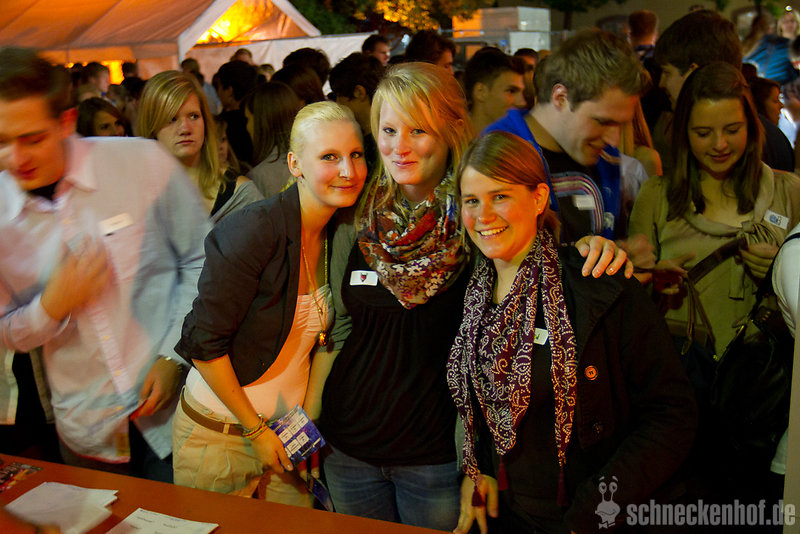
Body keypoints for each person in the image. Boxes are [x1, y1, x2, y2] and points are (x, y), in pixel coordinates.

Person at [309, 62, 630, 531]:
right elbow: (338, 331)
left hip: (436, 458)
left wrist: (592, 246)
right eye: (389, 130)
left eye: (418, 130)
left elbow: (536, 268)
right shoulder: (355, 218)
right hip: (348, 450)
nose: (399, 146)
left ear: (450, 131)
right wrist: (309, 428)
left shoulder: (478, 224)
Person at [449, 131, 696, 534]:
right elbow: (476, 404)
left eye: (500, 196)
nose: (483, 216)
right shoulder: (472, 292)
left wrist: (595, 508)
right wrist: (478, 468)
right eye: (471, 200)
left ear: (539, 198)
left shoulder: (598, 284)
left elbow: (672, 415)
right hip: (508, 516)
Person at [0, 46, 210, 482]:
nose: (16, 158)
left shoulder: (141, 162)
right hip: (87, 427)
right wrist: (50, 307)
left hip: (176, 415)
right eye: (2, 141)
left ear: (66, 122)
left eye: (32, 139)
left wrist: (174, 354)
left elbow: (202, 260)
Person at [172, 101, 367, 504]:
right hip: (220, 435)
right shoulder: (255, 229)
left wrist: (307, 421)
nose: (348, 171)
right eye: (330, 157)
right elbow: (203, 343)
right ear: (295, 164)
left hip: (288, 436)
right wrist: (256, 430)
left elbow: (335, 334)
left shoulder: (342, 231)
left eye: (356, 154)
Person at [629, 62, 800, 359]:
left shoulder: (789, 193)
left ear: (750, 126)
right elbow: (631, 303)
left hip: (767, 376)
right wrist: (651, 280)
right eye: (703, 133)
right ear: (684, 132)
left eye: (732, 130)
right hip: (684, 371)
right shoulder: (657, 197)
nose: (719, 144)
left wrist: (784, 269)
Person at [485, 29, 651, 264]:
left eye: (621, 125)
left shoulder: (605, 159)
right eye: (602, 122)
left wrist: (624, 258)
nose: (614, 140)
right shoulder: (495, 155)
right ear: (561, 98)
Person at [137, 71, 262, 224]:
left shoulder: (240, 196)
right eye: (171, 119)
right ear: (152, 127)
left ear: (205, 122)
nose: (185, 129)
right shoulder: (136, 196)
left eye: (194, 116)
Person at [244, 81, 301, 198]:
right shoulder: (312, 157)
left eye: (248, 119)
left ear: (260, 123)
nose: (247, 127)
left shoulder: (258, 177)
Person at [464, 47, 525, 134]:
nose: (522, 102)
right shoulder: (450, 140)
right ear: (480, 92)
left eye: (522, 92)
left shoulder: (521, 138)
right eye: (511, 91)